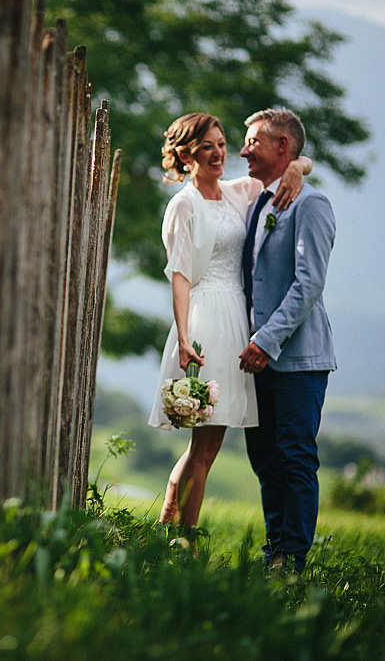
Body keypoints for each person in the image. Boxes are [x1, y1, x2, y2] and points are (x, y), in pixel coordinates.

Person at [147, 113, 312, 531]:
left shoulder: (237, 193)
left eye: (222, 144)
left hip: (237, 318)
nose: (220, 153)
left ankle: (168, 526)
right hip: (206, 322)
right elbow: (181, 276)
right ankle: (184, 539)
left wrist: (296, 166)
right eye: (208, 146)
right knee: (206, 442)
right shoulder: (183, 204)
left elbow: (292, 166)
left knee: (206, 442)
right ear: (186, 154)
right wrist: (185, 339)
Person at [237, 108, 337, 572]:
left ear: (281, 147)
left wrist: (266, 340)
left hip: (296, 358)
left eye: (253, 141)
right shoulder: (258, 198)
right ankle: (273, 548)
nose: (243, 150)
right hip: (258, 359)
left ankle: (291, 560)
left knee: (296, 458)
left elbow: (308, 283)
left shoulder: (310, 205)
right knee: (264, 461)